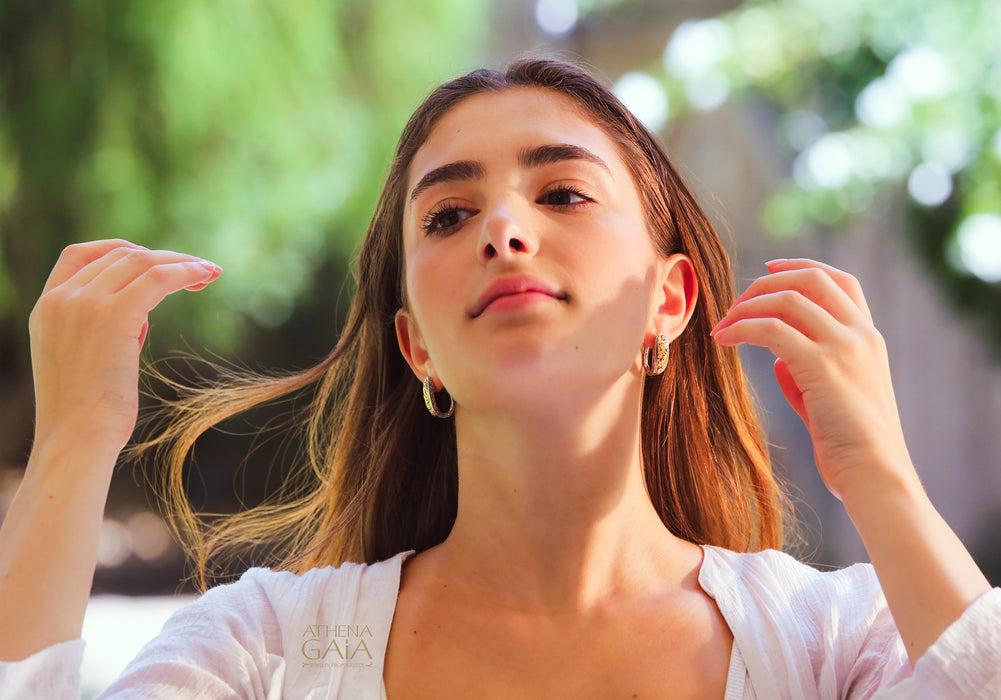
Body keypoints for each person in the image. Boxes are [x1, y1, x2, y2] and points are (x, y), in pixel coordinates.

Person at [0, 57, 998, 699]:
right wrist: (72, 443)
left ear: (670, 300)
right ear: (416, 345)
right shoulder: (270, 648)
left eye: (561, 191)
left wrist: (877, 474)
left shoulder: (827, 644)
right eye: (446, 215)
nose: (504, 230)